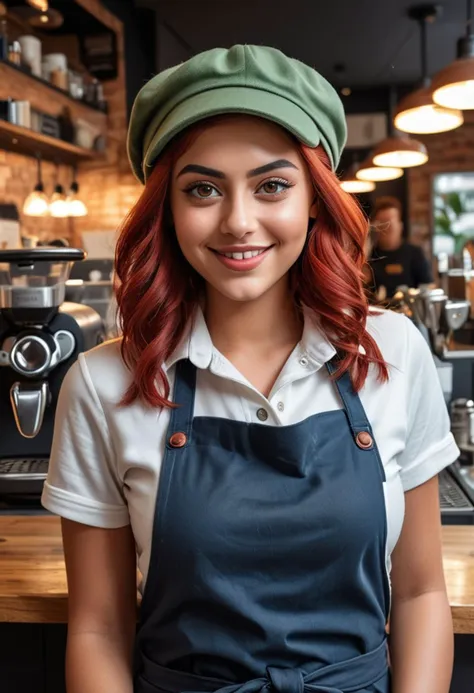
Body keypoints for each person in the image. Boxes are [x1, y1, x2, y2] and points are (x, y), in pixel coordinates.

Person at [41, 45, 459, 693]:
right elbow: (98, 627)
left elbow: (422, 591)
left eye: (272, 185)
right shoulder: (101, 384)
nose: (238, 222)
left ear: (315, 200)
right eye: (203, 189)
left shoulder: (394, 352)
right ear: (167, 209)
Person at [368, 197, 433, 299]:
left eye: (390, 223)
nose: (385, 228)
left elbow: (428, 287)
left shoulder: (414, 253)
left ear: (400, 226)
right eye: (381, 223)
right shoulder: (369, 255)